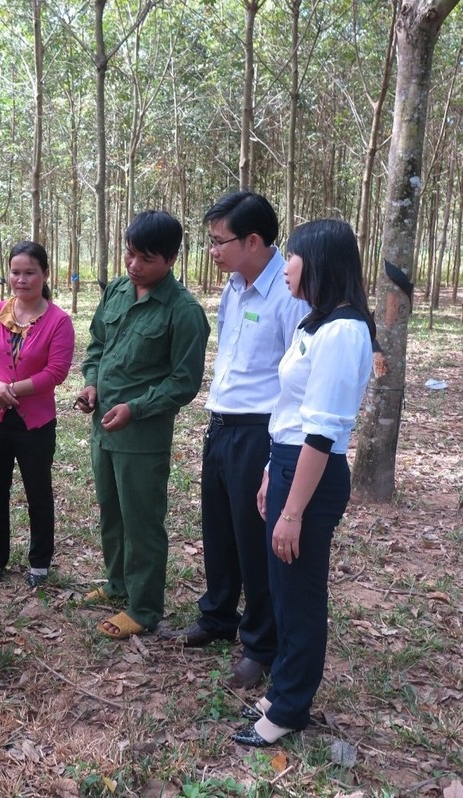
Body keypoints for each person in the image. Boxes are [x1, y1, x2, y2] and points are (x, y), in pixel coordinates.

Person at [233, 219, 374, 747]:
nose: (285, 266)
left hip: (312, 473)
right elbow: (289, 413)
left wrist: (292, 511)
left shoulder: (344, 331)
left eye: (292, 256)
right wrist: (273, 469)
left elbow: (322, 431)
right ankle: (284, 687)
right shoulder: (313, 324)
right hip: (290, 463)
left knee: (301, 594)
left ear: (318, 263)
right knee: (282, 591)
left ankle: (292, 707)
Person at [160, 191, 309, 689]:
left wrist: (275, 450)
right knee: (219, 529)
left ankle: (261, 643)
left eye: (219, 241)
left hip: (259, 431)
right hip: (222, 424)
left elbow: (296, 376)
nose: (212, 251)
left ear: (253, 240)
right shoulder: (232, 288)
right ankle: (218, 615)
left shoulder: (290, 296)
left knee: (254, 539)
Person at [76, 210, 210, 639]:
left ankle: (144, 607)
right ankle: (117, 584)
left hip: (142, 436)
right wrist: (91, 384)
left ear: (170, 260)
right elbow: (98, 344)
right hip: (104, 427)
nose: (134, 266)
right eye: (130, 255)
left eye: (146, 259)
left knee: (142, 521)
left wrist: (136, 408)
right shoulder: (117, 291)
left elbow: (184, 381)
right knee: (112, 513)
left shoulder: (184, 312)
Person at [0, 241, 74, 588]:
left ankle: (40, 562)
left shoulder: (58, 321)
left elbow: (55, 372)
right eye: (15, 272)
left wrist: (10, 391)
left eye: (30, 272)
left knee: (38, 491)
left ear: (44, 274)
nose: (21, 279)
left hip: (35, 422)